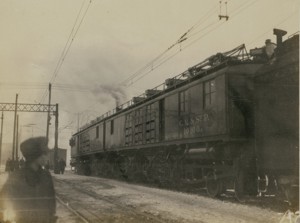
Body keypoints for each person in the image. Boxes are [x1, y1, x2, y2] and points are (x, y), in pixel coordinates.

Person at [0, 137, 57, 223]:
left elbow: (51, 206)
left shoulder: (46, 176)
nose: (47, 157)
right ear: (35, 156)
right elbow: (3, 204)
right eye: (44, 154)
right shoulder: (16, 177)